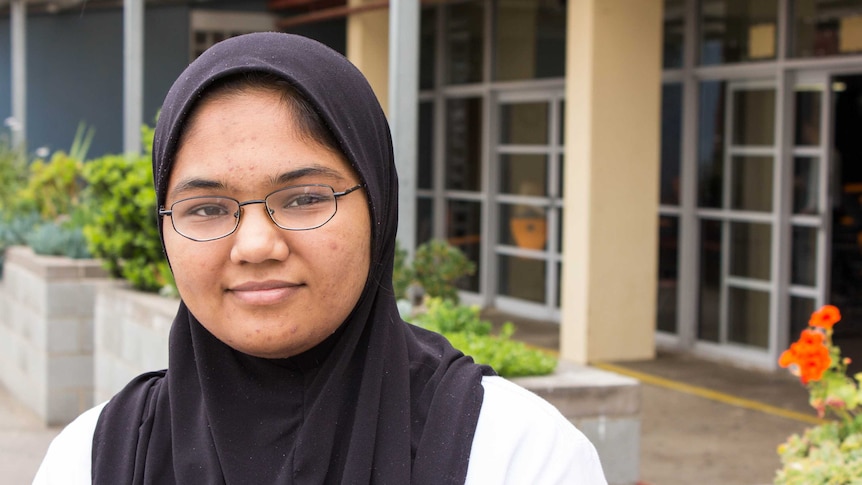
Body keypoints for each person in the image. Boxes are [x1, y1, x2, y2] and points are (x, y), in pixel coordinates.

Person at [33, 32, 607, 484]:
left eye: (306, 198)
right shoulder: (94, 459)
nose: (256, 246)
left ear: (378, 208)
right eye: (206, 208)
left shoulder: (513, 453)